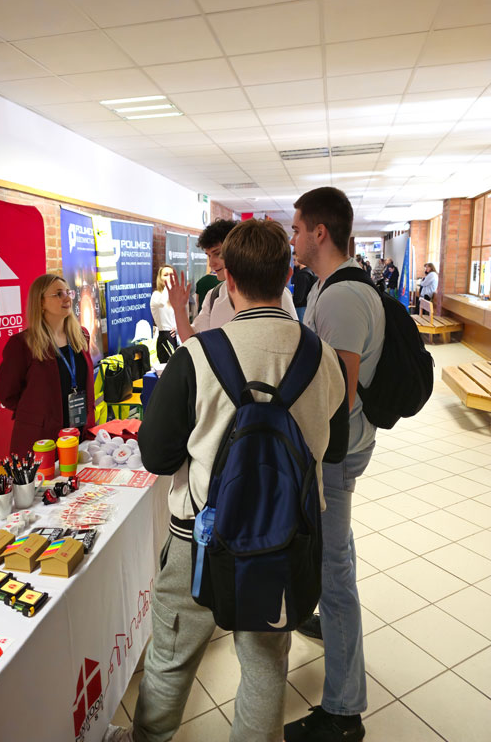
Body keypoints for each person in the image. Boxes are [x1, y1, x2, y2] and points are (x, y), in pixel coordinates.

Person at [104, 219, 349, 742]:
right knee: (264, 664)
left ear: (228, 281)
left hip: (199, 538)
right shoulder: (321, 355)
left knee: (171, 656)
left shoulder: (197, 356)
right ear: (288, 273)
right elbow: (338, 447)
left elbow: (155, 455)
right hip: (285, 541)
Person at [286, 187, 384, 742]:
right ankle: (327, 626)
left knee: (336, 571)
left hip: (336, 454)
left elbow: (340, 398)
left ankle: (344, 712)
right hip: (339, 449)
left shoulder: (342, 298)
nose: (293, 238)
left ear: (320, 232)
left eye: (297, 229)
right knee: (333, 558)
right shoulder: (328, 286)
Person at [0, 274, 95, 456]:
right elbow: (5, 391)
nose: (67, 298)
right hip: (41, 439)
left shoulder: (81, 335)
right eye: (58, 294)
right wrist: (36, 411)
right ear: (40, 303)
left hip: (78, 431)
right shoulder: (24, 343)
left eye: (68, 292)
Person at [167, 218, 297, 339]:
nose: (211, 263)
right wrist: (179, 310)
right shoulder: (214, 296)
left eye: (217, 254)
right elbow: (192, 342)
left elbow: (291, 340)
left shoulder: (275, 294)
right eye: (208, 256)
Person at [150, 265, 178, 363]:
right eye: (166, 275)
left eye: (172, 275)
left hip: (175, 336)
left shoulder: (173, 296)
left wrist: (176, 328)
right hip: (165, 337)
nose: (170, 277)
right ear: (160, 278)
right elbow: (162, 302)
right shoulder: (157, 295)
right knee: (169, 367)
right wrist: (168, 286)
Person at [290, 252, 317, 322]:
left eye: (294, 260)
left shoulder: (303, 275)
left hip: (301, 307)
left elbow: (299, 297)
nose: (293, 262)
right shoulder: (309, 271)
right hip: (306, 306)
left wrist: (291, 303)